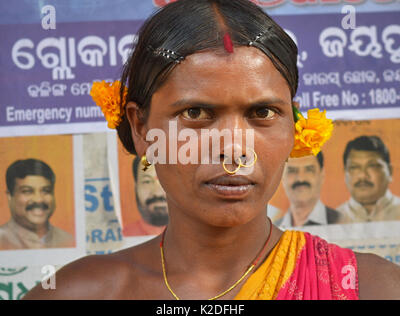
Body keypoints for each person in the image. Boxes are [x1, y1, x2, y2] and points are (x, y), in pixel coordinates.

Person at [24, 0, 399, 300]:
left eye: (263, 112)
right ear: (141, 128)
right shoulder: (77, 294)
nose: (235, 150)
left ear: (294, 128)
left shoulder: (372, 288)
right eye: (196, 113)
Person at [0, 159, 74, 250]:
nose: (38, 199)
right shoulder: (2, 241)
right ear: (9, 196)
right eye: (27, 191)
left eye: (45, 191)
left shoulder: (68, 240)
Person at [337, 135, 400, 223]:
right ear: (345, 172)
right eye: (354, 167)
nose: (363, 175)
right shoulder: (333, 218)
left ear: (390, 171)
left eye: (372, 166)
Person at [276, 152, 340, 228]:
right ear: (282, 177)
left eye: (309, 170)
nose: (301, 178)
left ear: (322, 174)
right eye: (292, 171)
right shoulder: (274, 228)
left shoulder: (343, 222)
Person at [123, 156, 168, 236]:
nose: (157, 193)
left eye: (164, 180)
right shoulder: (123, 235)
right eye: (147, 182)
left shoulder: (195, 233)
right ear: (136, 187)